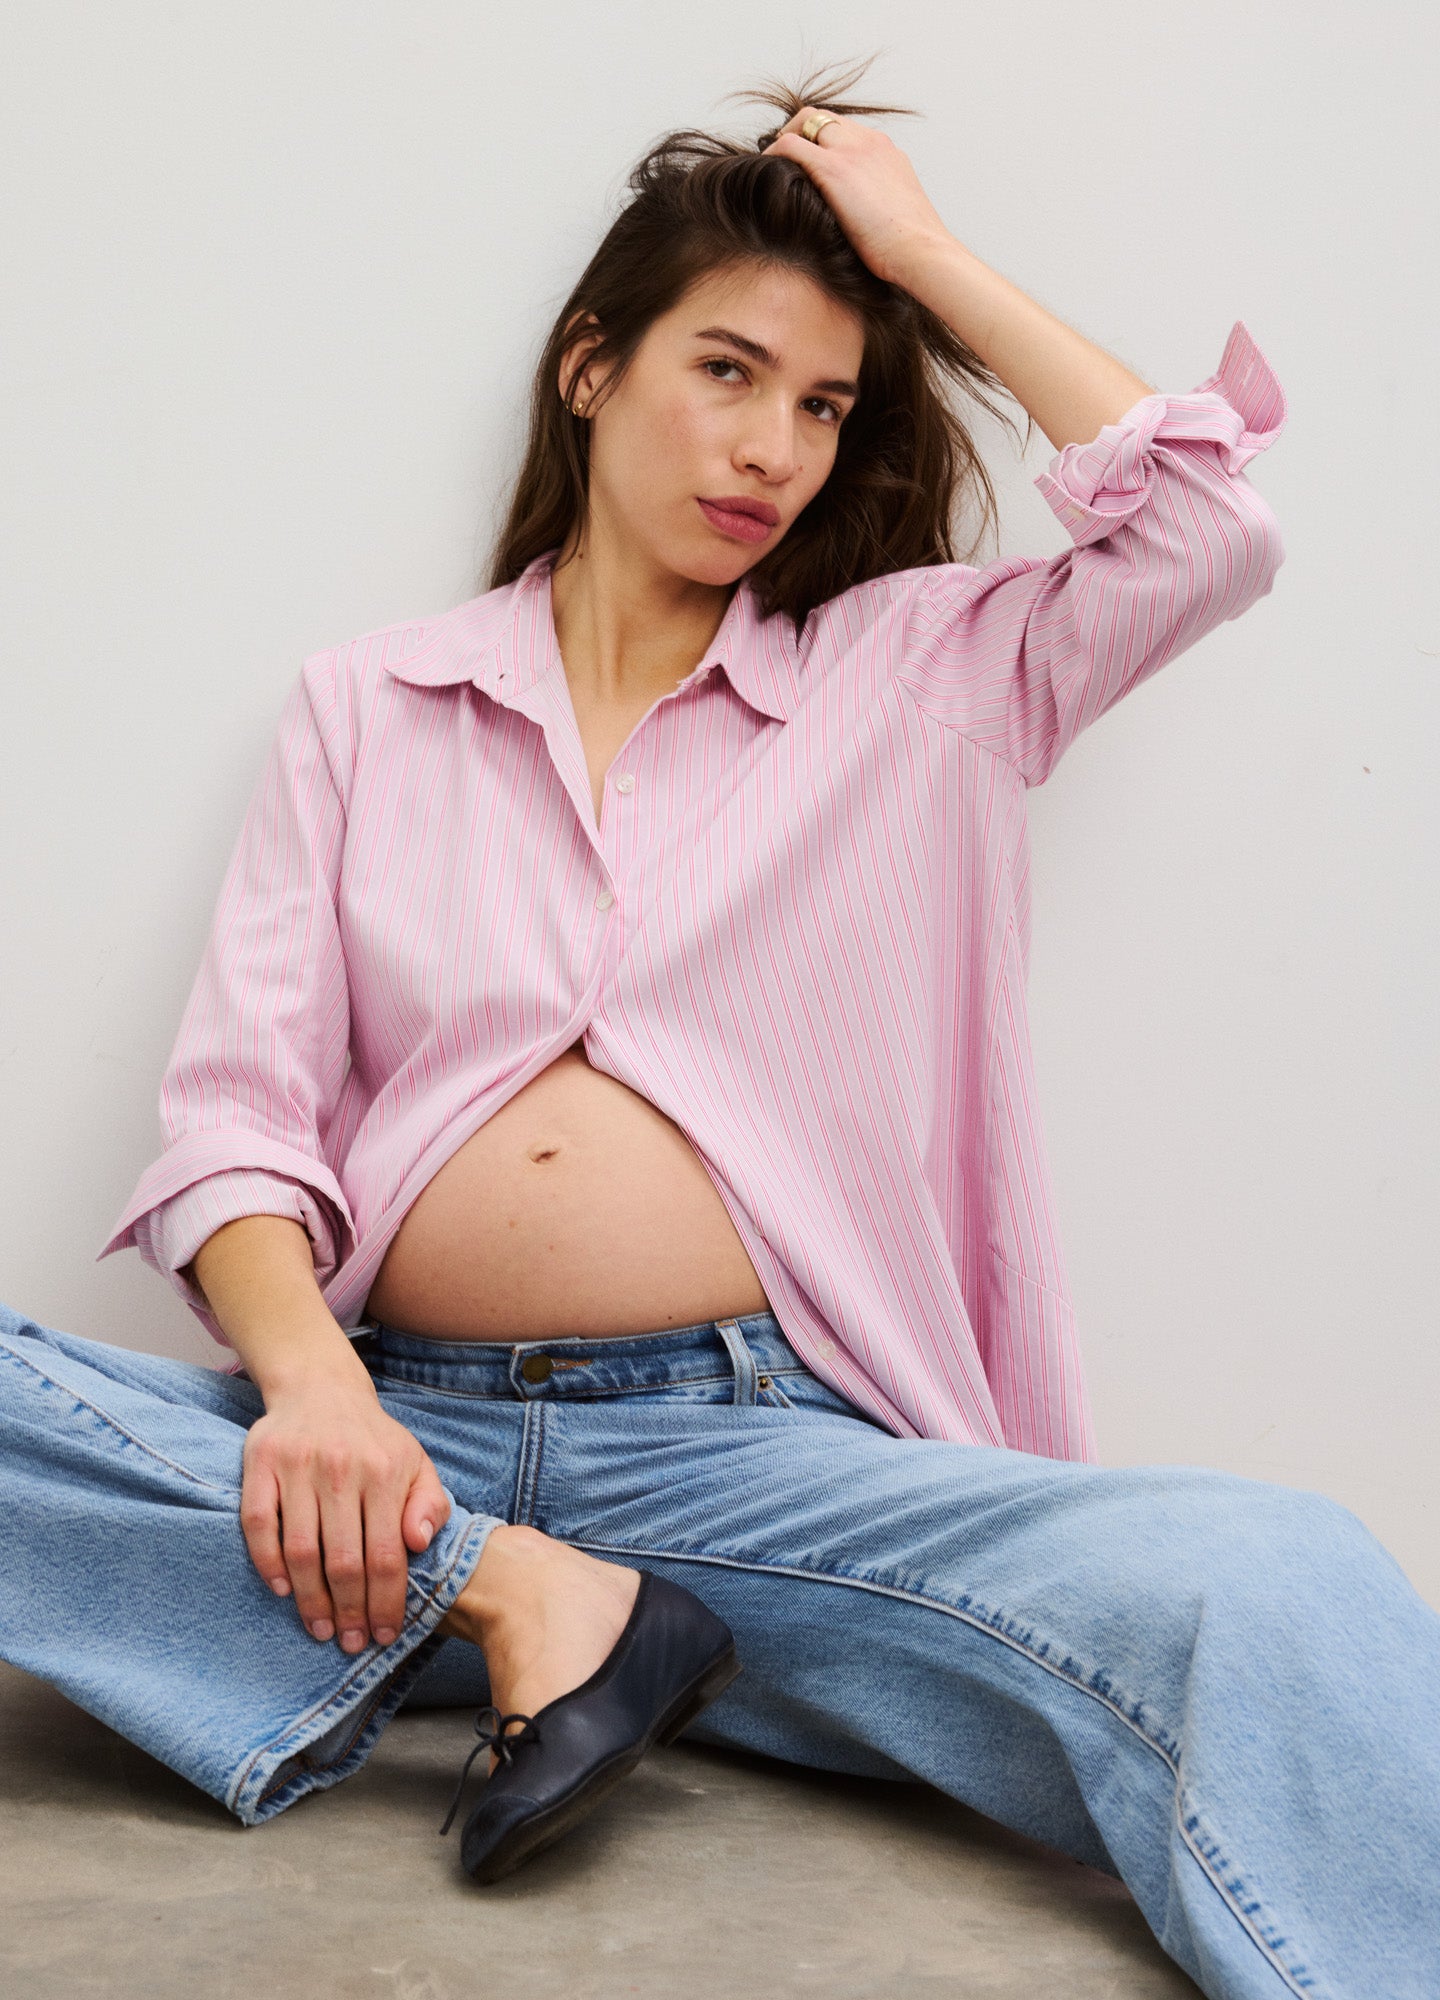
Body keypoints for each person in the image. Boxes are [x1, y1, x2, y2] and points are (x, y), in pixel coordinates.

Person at [2, 57, 1436, 1996]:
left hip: (755, 1461)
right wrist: (315, 1394)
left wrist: (917, 249)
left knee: (1285, 1575)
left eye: (826, 403)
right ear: (594, 367)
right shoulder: (371, 707)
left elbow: (1209, 538)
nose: (774, 446)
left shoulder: (915, 680)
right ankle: (515, 1600)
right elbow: (239, 1125)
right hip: (386, 1440)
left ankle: (557, 1613)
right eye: (728, 371)